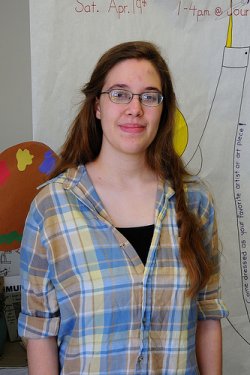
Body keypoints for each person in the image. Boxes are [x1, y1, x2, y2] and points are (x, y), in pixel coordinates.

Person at [18, 41, 228, 375]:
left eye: (149, 96)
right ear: (97, 106)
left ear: (163, 108)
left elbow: (208, 314)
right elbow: (40, 330)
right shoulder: (52, 207)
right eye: (119, 94)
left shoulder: (196, 202)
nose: (135, 108)